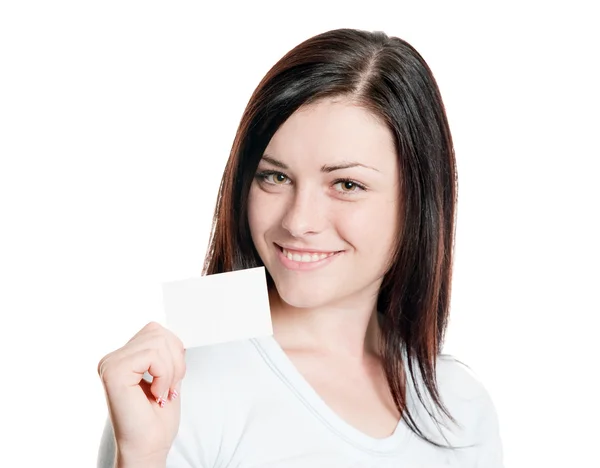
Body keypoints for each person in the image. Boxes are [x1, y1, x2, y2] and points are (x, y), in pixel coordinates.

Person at [96, 28, 504, 467]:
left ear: (419, 200)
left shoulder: (459, 406)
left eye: (346, 184)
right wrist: (139, 457)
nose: (298, 221)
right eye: (275, 177)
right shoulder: (183, 381)